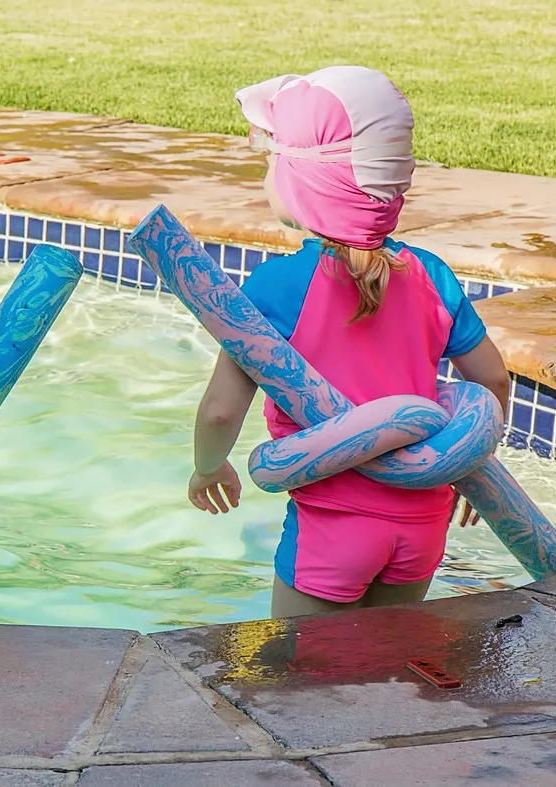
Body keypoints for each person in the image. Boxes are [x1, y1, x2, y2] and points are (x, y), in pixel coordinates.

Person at [186, 66, 511, 618]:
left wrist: (207, 468)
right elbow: (493, 379)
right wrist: (466, 458)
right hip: (423, 522)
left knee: (299, 683)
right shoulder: (432, 274)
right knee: (384, 668)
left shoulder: (276, 287)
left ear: (303, 185)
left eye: (272, 164)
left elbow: (220, 412)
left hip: (333, 525)